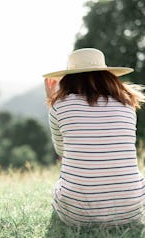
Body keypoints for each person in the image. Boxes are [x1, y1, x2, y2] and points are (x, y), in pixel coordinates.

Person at [43, 48, 145, 226]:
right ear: (107, 76)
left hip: (75, 215)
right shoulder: (127, 105)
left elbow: (62, 151)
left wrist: (51, 101)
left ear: (69, 79)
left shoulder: (60, 106)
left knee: (60, 184)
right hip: (131, 211)